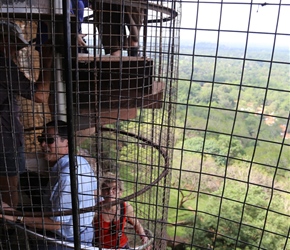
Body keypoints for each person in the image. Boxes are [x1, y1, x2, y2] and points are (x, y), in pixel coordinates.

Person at [1, 120, 98, 249]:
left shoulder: (66, 178)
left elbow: (56, 224)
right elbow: (95, 193)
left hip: (66, 242)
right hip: (85, 231)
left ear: (67, 142)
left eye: (50, 140)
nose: (42, 144)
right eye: (41, 138)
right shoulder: (80, 162)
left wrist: (14, 215)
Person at [0, 21, 52, 209]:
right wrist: (47, 63)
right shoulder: (3, 66)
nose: (16, 51)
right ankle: (9, 229)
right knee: (10, 190)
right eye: (14, 45)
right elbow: (40, 95)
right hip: (5, 139)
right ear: (4, 41)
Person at [93, 172, 151, 249]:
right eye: (106, 189)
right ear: (102, 192)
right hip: (101, 248)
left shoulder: (125, 207)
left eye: (114, 189)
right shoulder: (96, 209)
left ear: (120, 192)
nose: (110, 192)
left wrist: (144, 238)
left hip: (121, 246)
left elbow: (136, 224)